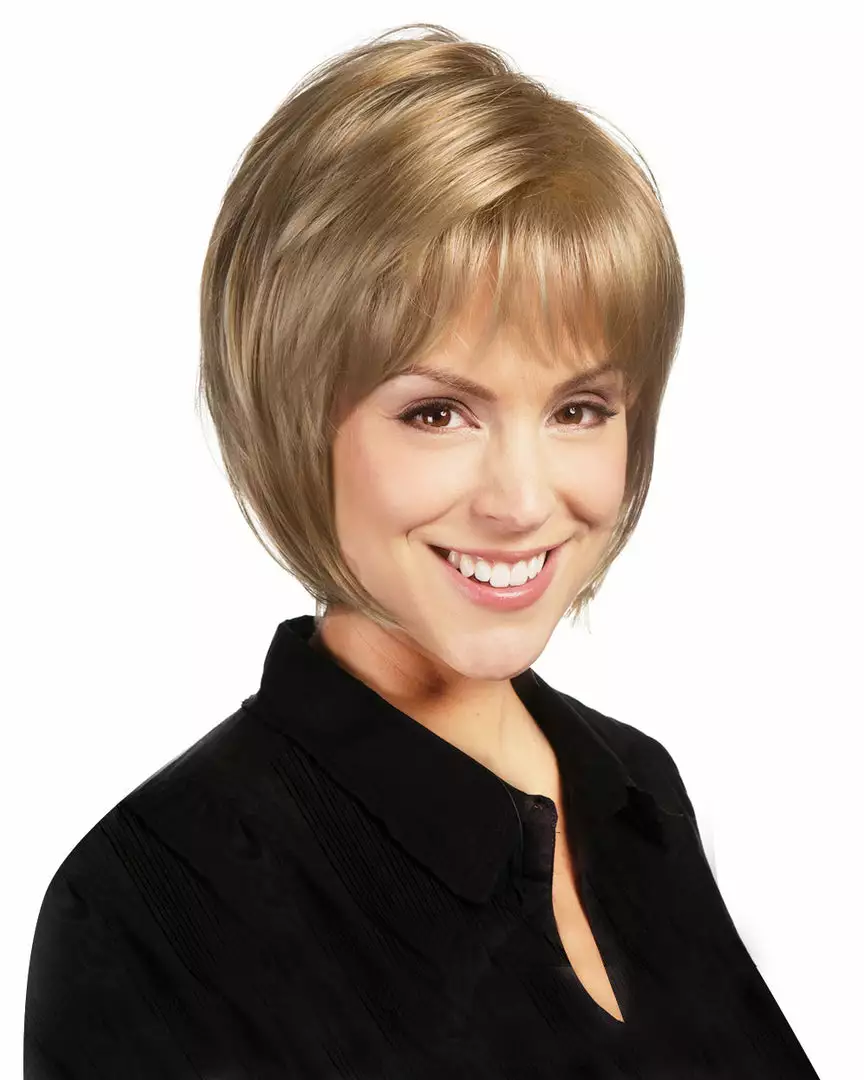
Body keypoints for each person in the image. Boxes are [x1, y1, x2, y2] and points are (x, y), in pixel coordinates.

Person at [23, 21, 821, 1080]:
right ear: (293, 421)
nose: (522, 501)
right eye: (439, 413)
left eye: (579, 408)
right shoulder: (155, 903)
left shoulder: (634, 790)